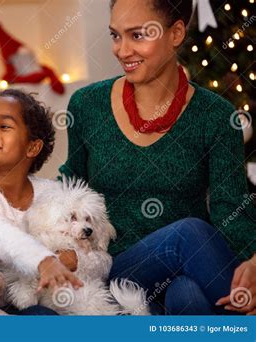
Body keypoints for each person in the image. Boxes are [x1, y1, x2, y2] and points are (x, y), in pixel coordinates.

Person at [59, 0, 256, 315]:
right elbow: (67, 191)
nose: (122, 50)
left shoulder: (216, 116)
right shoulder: (87, 106)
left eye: (137, 36)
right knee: (188, 233)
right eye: (115, 36)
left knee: (188, 296)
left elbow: (230, 209)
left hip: (187, 271)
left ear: (176, 33)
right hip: (113, 270)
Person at [0, 89, 83, 315]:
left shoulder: (54, 192)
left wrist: (77, 260)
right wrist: (45, 260)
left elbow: (97, 254)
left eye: (4, 126)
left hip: (71, 295)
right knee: (42, 316)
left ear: (33, 147)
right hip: (11, 306)